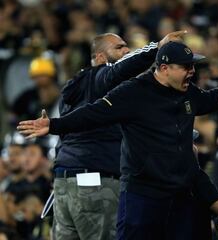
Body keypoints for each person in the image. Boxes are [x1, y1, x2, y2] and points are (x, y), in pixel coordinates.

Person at [18, 41, 218, 240]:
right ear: (164, 68)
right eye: (186, 67)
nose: (192, 72)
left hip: (181, 191)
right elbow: (94, 113)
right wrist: (53, 125)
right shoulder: (133, 92)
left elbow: (209, 100)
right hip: (143, 193)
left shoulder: (186, 91)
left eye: (192, 66)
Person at [40, 31, 185, 240]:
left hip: (64, 184)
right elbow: (120, 70)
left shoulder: (73, 87)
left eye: (126, 47)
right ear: (99, 58)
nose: (126, 51)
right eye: (119, 48)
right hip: (94, 182)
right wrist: (157, 47)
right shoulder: (100, 77)